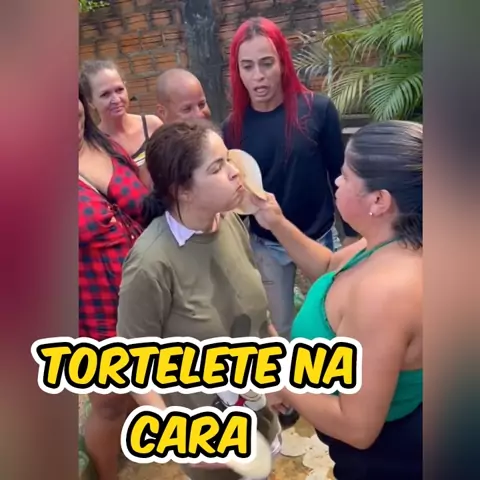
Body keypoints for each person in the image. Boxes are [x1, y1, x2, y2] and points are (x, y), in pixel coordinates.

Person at [254, 121, 423, 479]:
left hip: (382, 460)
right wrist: (276, 222)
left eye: (346, 176)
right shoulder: (392, 240)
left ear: (379, 200)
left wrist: (279, 379)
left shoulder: (386, 293)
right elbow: (332, 267)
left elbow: (357, 428)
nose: (337, 182)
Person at [116, 120, 281, 480]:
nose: (235, 172)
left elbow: (256, 316)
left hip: (258, 416)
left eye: (228, 160)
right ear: (183, 191)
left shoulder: (229, 222)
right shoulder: (151, 263)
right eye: (217, 167)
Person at [222, 17, 358, 342]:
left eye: (267, 63)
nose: (258, 75)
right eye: (247, 66)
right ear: (237, 71)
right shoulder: (232, 128)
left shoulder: (318, 110)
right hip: (267, 244)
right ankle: (291, 375)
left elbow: (339, 174)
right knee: (281, 328)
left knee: (333, 321)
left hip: (319, 237)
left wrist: (352, 236)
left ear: (282, 62)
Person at [78, 85, 149, 480]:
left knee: (143, 384)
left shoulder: (104, 145)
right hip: (94, 311)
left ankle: (137, 454)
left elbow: (145, 206)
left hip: (141, 296)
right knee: (108, 404)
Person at [80, 59, 163, 187]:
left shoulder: (152, 126)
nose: (116, 99)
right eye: (105, 94)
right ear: (90, 102)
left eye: (119, 90)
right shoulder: (94, 145)